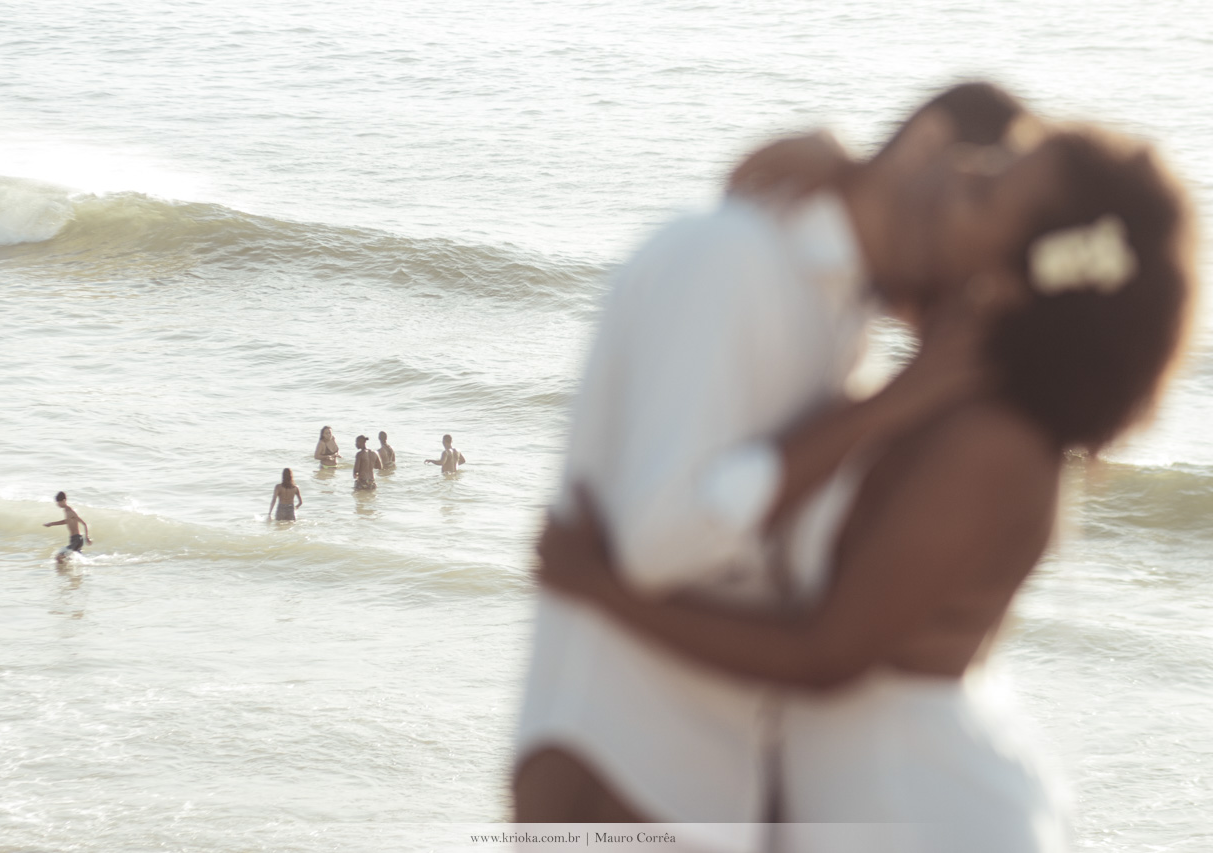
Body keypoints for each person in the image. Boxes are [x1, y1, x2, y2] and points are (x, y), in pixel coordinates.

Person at [537, 125, 1196, 853]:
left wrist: (602, 588)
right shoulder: (944, 381)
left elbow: (824, 655)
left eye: (987, 189)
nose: (965, 165)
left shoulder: (995, 445)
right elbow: (879, 256)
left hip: (925, 816)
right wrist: (854, 176)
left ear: (1012, 282)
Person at [513, 82, 1037, 831]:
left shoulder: (845, 321)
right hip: (621, 764)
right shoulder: (733, 259)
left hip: (713, 784)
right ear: (927, 144)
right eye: (977, 197)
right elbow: (662, 543)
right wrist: (878, 412)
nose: (975, 261)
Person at [43, 491, 91, 561]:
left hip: (77, 540)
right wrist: (51, 524)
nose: (58, 504)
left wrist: (87, 537)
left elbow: (84, 523)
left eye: (59, 502)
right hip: (74, 539)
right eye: (57, 502)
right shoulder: (66, 510)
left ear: (64, 500)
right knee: (69, 559)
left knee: (59, 557)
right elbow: (66, 521)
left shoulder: (69, 511)